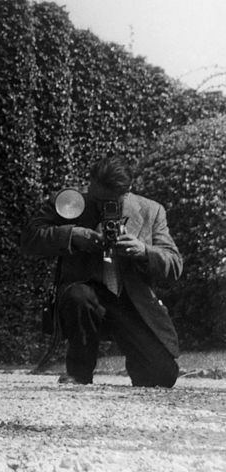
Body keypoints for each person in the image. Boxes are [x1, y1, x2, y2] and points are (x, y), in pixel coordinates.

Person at [21, 154, 181, 387]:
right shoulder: (70, 204)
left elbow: (174, 264)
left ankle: (141, 365)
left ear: (127, 191)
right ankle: (78, 372)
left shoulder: (151, 211)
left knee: (162, 375)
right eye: (96, 199)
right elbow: (29, 239)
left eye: (111, 202)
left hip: (131, 302)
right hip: (87, 296)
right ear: (90, 184)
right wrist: (72, 235)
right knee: (79, 297)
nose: (101, 207)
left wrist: (143, 251)